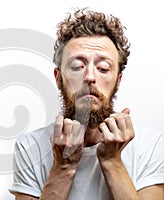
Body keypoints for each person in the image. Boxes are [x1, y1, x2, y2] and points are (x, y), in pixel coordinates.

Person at [9, 8, 164, 200]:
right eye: (77, 67)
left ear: (118, 80)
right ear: (59, 78)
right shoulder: (30, 147)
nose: (89, 77)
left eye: (103, 68)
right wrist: (63, 167)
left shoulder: (151, 146)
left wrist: (112, 160)